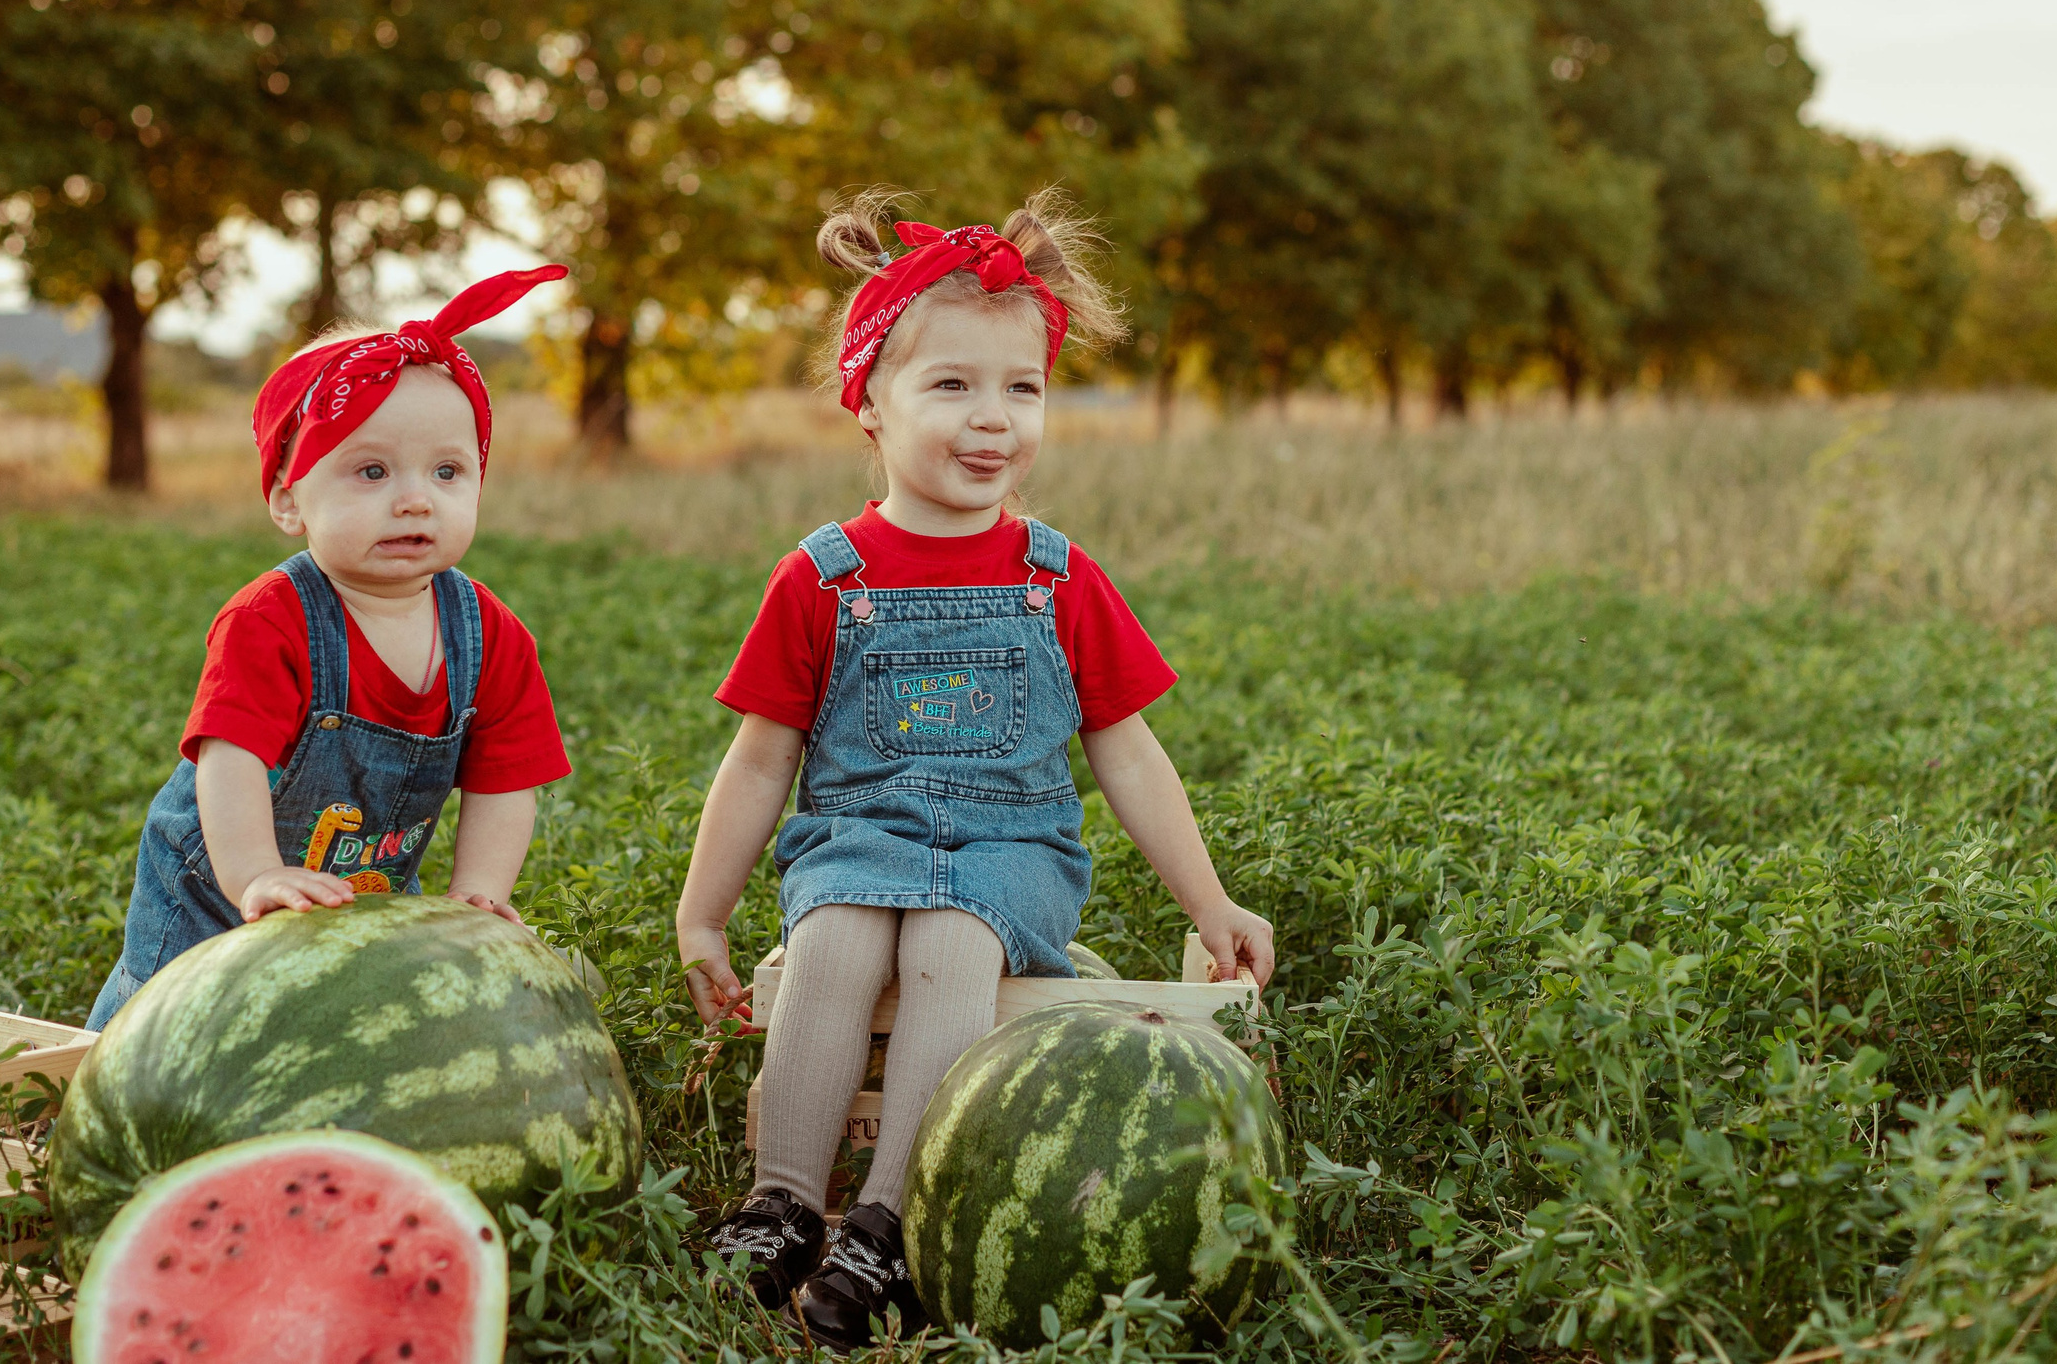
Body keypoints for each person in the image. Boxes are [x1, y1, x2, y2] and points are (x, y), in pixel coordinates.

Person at [674, 191, 1277, 1349]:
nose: (992, 418)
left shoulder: (1057, 575)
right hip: (859, 834)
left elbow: (1128, 751)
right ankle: (787, 1197)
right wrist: (706, 914)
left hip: (1012, 850)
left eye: (1022, 387)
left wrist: (1209, 901)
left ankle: (889, 1220)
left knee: (949, 940)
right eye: (950, 385)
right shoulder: (823, 574)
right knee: (837, 934)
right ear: (869, 403)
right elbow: (759, 760)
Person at [85, 269, 577, 1032]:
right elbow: (230, 759)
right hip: (215, 899)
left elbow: (506, 781)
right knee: (162, 1036)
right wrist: (257, 876)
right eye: (371, 471)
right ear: (288, 499)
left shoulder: (490, 635)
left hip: (365, 896)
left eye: (448, 472)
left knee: (340, 1040)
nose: (415, 498)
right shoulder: (271, 619)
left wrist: (477, 893)